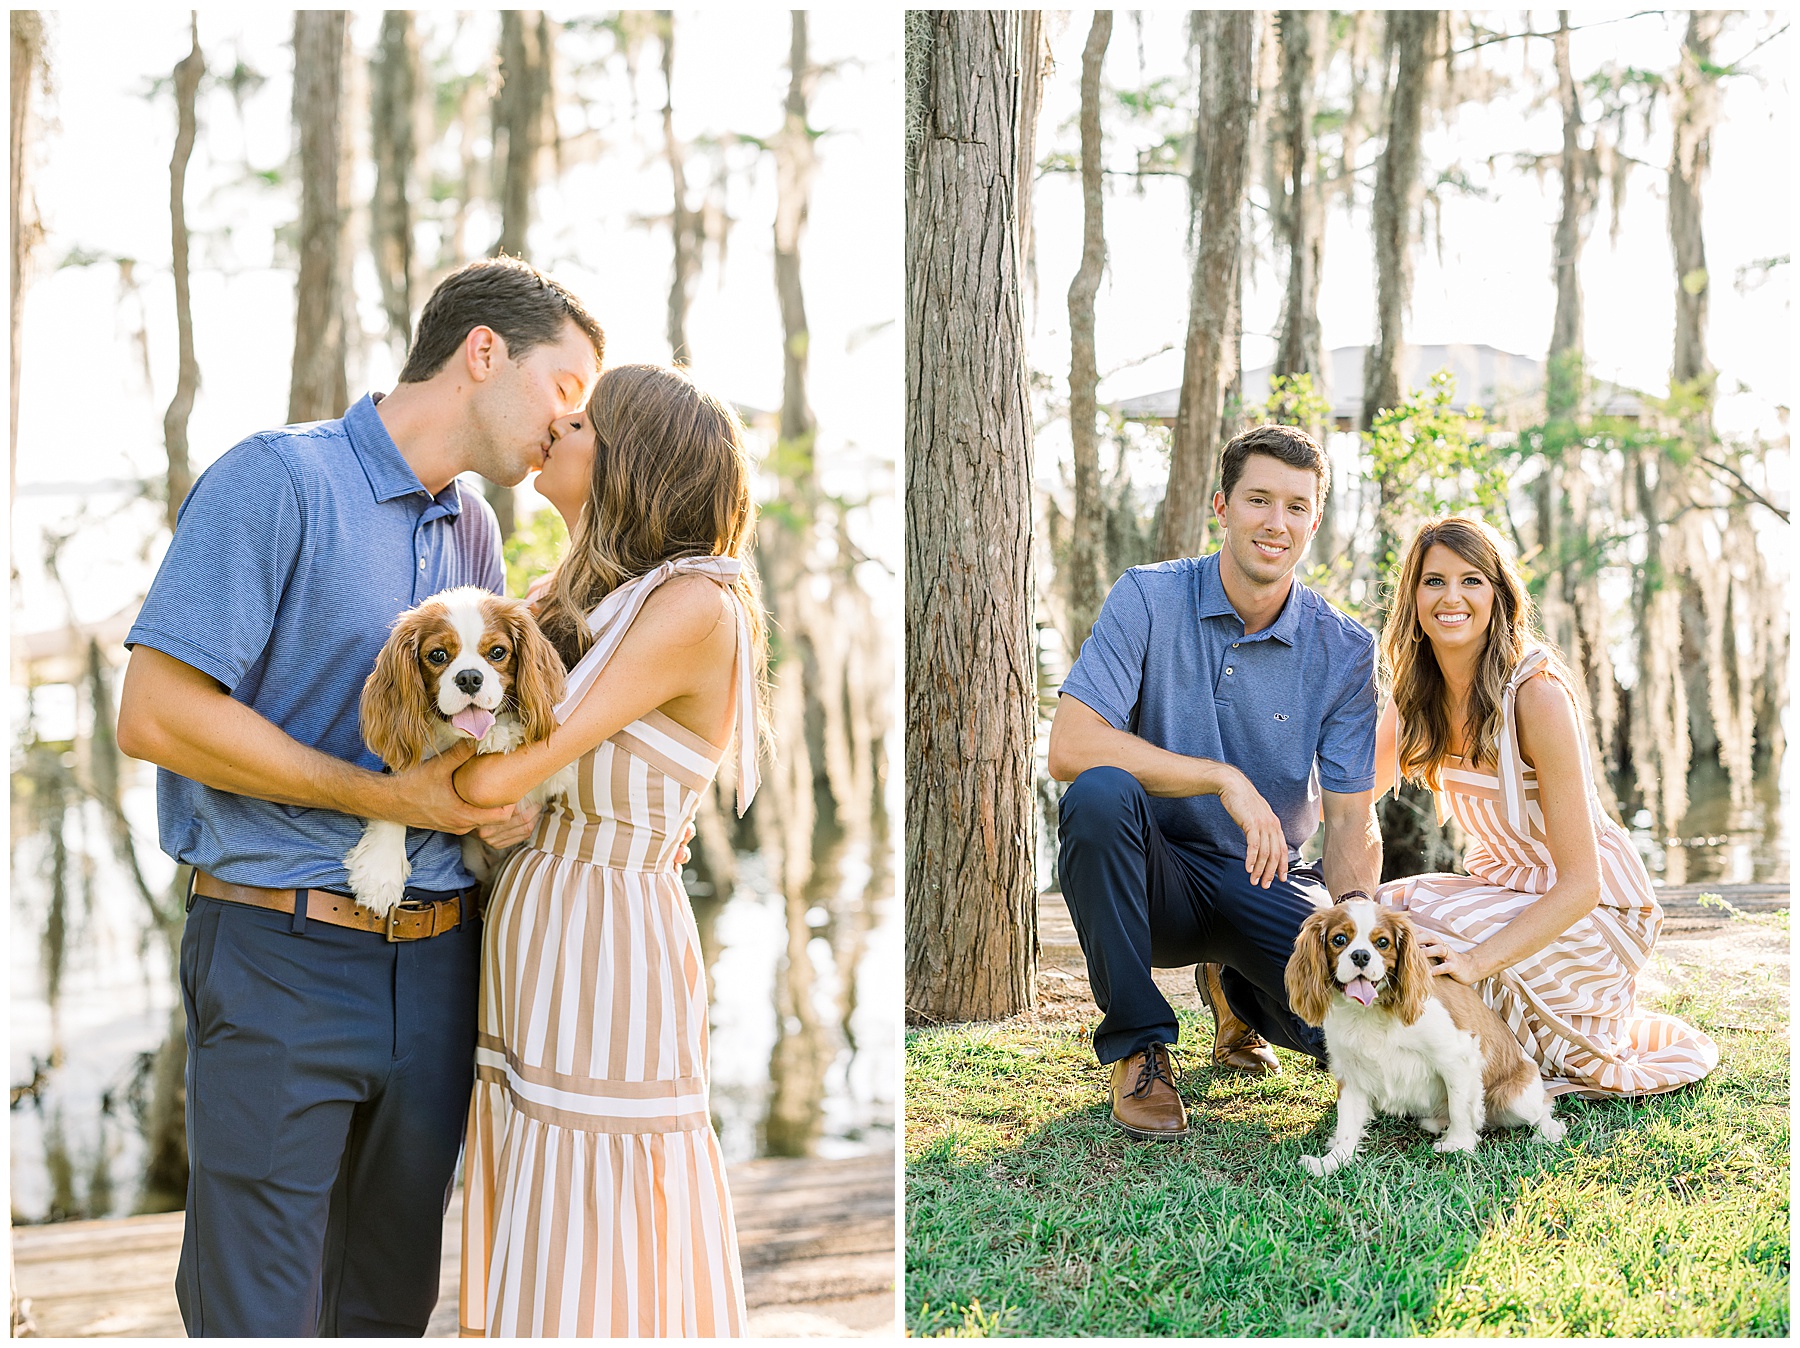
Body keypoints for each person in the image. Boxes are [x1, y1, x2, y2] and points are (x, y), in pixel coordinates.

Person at [116, 257, 605, 1336]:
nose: (575, 424)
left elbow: (461, 750)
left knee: (386, 1301)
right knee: (260, 1310)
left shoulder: (473, 528)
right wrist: (386, 799)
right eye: (566, 389)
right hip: (279, 948)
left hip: (439, 959)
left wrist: (489, 803)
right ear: (485, 352)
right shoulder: (278, 480)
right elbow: (152, 713)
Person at [450, 363, 767, 1337]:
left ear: (632, 458)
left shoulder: (696, 605)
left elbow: (505, 769)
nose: (555, 427)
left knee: (598, 1189)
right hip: (543, 918)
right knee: (536, 1178)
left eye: (580, 421)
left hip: (609, 939)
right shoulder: (591, 588)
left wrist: (466, 789)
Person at [1047, 423, 1383, 1140]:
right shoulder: (1147, 598)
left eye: (1296, 506)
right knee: (1097, 795)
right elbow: (1071, 746)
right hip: (1151, 886)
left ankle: (1236, 989)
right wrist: (1220, 777)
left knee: (1358, 1046)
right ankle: (1139, 1047)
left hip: (1264, 879)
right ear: (1221, 507)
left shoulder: (1346, 648)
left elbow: (1353, 823)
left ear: (1314, 520)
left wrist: (1359, 940)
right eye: (1259, 500)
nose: (1276, 522)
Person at [1373, 515, 1718, 1097]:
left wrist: (1476, 961)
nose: (1451, 597)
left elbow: (1582, 884)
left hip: (1593, 908)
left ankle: (1483, 1064)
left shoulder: (1536, 695)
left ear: (1499, 596)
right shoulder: (1417, 694)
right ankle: (1424, 1062)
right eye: (1433, 581)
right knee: (1385, 909)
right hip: (1507, 889)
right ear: (1412, 596)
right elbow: (1348, 798)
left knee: (1438, 937)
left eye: (1471, 580)